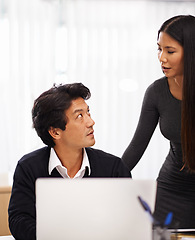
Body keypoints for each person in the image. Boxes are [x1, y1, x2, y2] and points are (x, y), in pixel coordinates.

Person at [8, 83, 131, 240]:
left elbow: (128, 222)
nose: (90, 122)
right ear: (55, 131)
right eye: (79, 116)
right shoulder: (28, 167)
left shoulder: (114, 168)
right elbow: (19, 220)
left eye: (88, 113)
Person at [122, 15, 195, 229]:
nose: (161, 58)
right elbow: (136, 147)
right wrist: (107, 179)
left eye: (170, 51)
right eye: (159, 49)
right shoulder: (156, 92)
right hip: (171, 189)